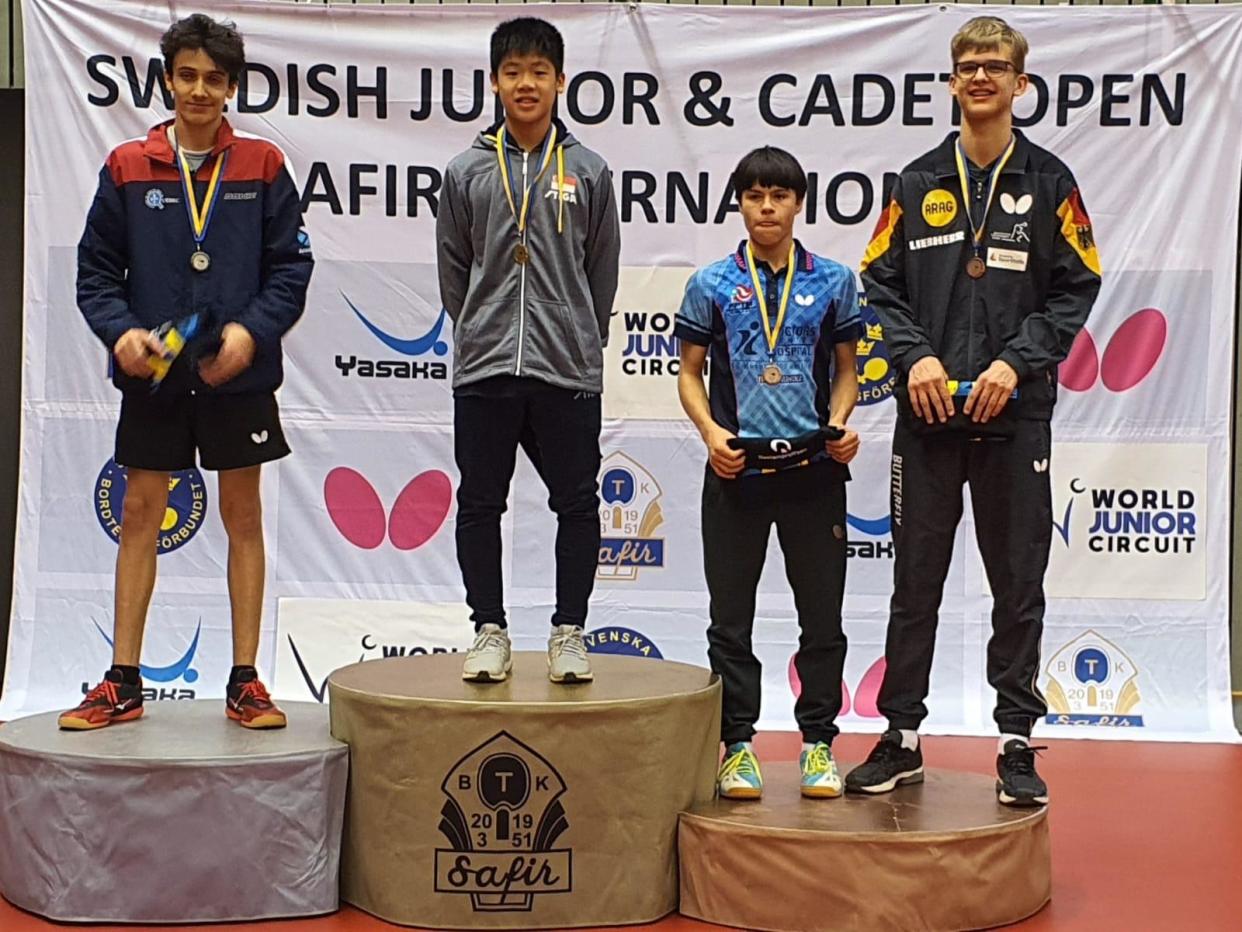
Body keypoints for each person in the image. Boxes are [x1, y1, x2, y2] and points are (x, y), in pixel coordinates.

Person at [847, 16, 1101, 806]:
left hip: (1013, 417)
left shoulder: (1052, 183)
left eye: (996, 66)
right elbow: (877, 282)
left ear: (1022, 84)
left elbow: (1078, 286)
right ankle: (902, 737)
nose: (981, 77)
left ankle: (1017, 742)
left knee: (1018, 584)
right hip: (926, 420)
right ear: (952, 83)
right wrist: (916, 356)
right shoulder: (917, 181)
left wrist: (1012, 363)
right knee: (914, 585)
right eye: (968, 67)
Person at [60, 13, 313, 730]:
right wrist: (121, 333)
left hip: (238, 376)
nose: (199, 90)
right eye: (187, 76)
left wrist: (251, 331)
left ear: (231, 87)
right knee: (140, 513)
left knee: (243, 515)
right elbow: (95, 274)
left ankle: (245, 681)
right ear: (168, 79)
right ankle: (124, 681)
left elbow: (291, 268)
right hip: (157, 376)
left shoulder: (262, 164)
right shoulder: (127, 166)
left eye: (214, 78)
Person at [436, 17, 621, 684]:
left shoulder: (592, 172)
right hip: (485, 367)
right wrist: (484, 328)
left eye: (538, 72)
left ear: (560, 81)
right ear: (494, 82)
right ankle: (489, 630)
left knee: (576, 503)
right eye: (512, 72)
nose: (525, 83)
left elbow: (600, 274)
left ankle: (570, 631)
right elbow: (454, 272)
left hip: (565, 369)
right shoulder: (465, 172)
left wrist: (575, 335)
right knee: (480, 504)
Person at [675, 147, 862, 800]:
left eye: (778, 196)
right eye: (754, 195)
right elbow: (689, 374)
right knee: (731, 621)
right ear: (740, 203)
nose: (766, 207)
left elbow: (847, 371)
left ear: (798, 203)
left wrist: (841, 424)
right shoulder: (712, 284)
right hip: (736, 471)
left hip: (813, 471)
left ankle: (817, 744)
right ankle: (739, 747)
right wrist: (710, 433)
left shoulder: (835, 281)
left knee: (823, 617)